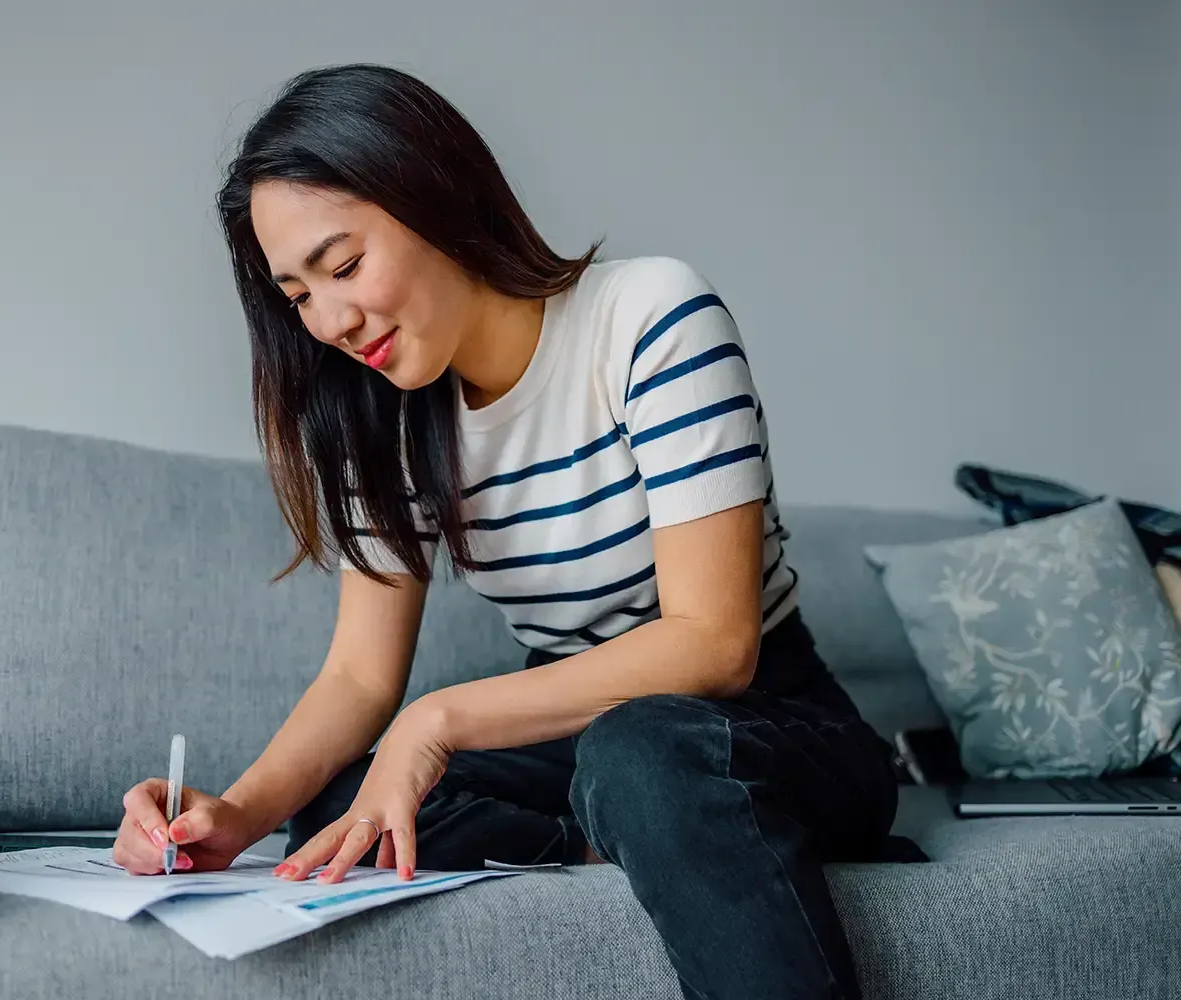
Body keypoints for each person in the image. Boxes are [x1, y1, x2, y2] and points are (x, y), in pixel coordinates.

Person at [114, 63, 900, 1000]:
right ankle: (627, 838)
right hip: (577, 737)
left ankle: (652, 818)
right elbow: (359, 677)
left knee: (640, 754)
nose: (331, 321)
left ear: (434, 193)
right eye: (298, 296)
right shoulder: (385, 420)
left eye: (344, 266)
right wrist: (234, 816)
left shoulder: (650, 318)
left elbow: (715, 643)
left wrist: (437, 719)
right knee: (342, 803)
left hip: (763, 722)